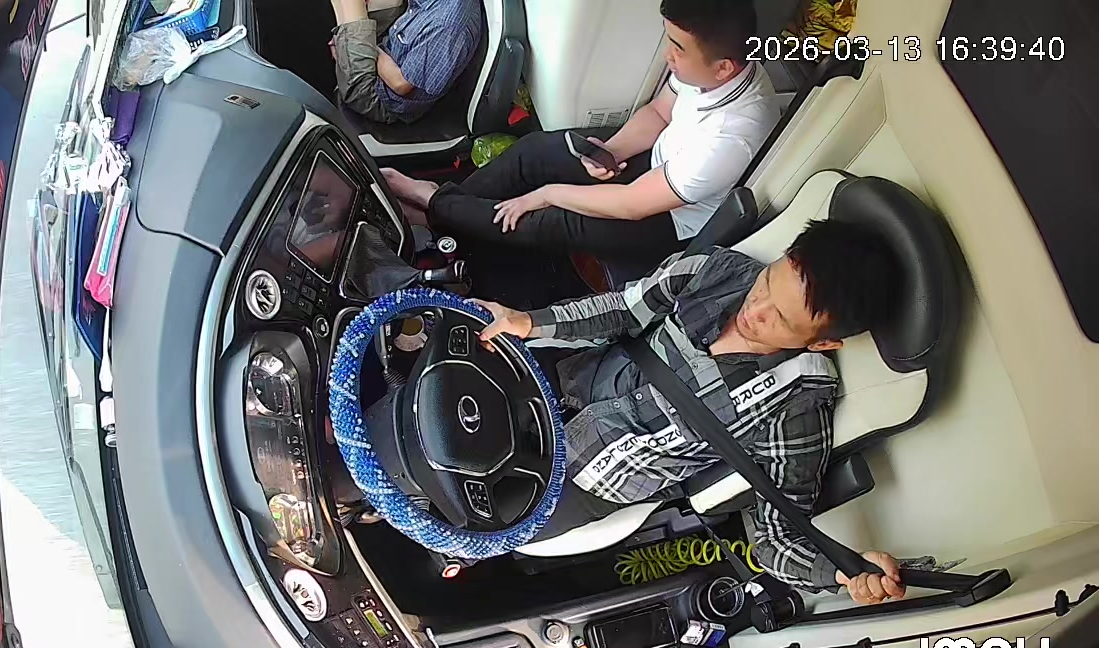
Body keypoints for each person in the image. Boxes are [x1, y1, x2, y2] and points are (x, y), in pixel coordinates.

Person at [476, 219, 909, 606]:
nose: (754, 310)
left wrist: (840, 569)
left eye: (780, 318)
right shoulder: (714, 269)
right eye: (766, 284)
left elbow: (774, 538)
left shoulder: (796, 403)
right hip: (568, 380)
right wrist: (529, 322)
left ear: (823, 343)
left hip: (590, 477)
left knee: (476, 522)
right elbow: (623, 309)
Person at [382, 0, 781, 269]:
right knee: (538, 150)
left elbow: (632, 205)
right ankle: (444, 214)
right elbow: (661, 111)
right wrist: (612, 150)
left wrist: (549, 193)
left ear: (723, 67)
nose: (667, 55)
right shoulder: (711, 71)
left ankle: (432, 202)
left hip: (669, 219)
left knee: (547, 218)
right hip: (659, 163)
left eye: (677, 48)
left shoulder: (730, 138)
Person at [329, 0, 483, 125]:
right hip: (387, 52)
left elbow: (400, 84)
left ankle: (344, 42)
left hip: (378, 96)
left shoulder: (447, 26)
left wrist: (361, 44)